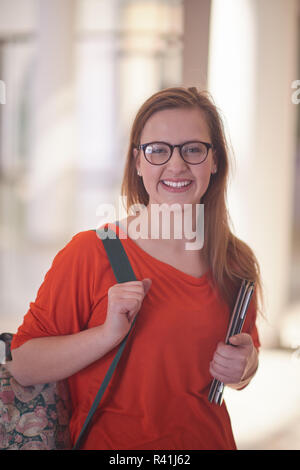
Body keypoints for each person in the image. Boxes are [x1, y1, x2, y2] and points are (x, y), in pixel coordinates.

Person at [9, 87, 262, 450]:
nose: (176, 165)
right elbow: (22, 364)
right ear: (138, 162)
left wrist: (246, 367)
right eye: (158, 150)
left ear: (215, 160)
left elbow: (242, 364)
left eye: (193, 149)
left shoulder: (235, 262)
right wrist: (105, 335)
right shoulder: (91, 253)